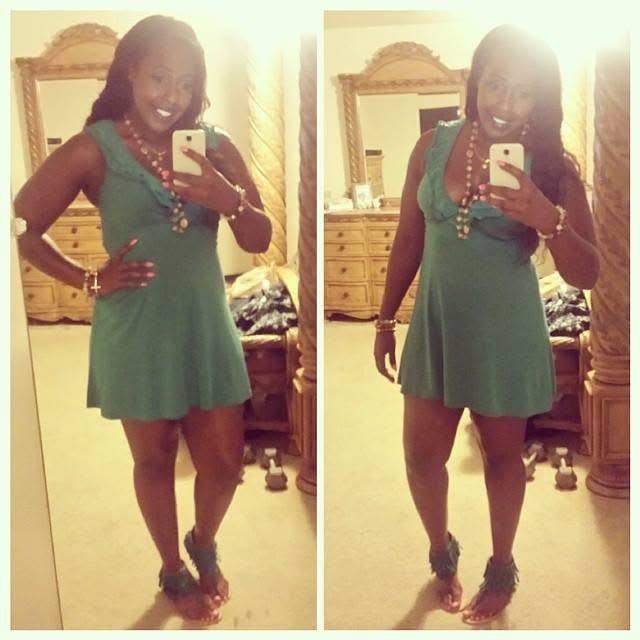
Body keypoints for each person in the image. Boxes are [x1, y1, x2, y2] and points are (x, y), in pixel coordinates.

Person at [15, 15, 272, 623]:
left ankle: (202, 542)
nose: (171, 95)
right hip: (134, 329)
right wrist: (88, 279)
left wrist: (227, 198)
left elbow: (260, 237)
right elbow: (21, 224)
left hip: (204, 325)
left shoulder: (214, 146)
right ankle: (172, 567)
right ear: (130, 72)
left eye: (186, 83)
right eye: (159, 77)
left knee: (224, 466)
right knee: (153, 459)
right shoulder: (93, 147)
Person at [373, 24, 599, 625]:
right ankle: (441, 550)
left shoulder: (552, 168)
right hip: (437, 327)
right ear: (475, 81)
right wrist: (384, 318)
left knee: (502, 458)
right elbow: (408, 237)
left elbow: (588, 272)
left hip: (505, 334)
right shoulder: (431, 146)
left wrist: (547, 217)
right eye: (496, 84)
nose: (505, 104)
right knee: (420, 458)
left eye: (523, 92)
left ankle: (501, 568)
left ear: (538, 100)